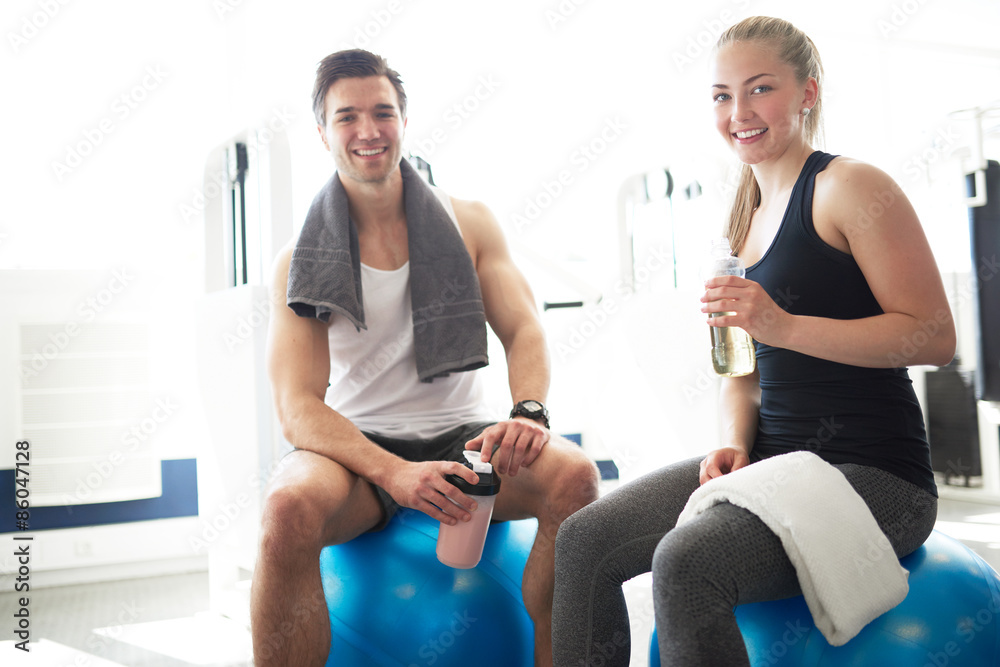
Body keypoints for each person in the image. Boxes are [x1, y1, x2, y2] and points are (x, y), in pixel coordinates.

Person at [552, 16, 956, 667]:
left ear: (807, 93)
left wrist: (783, 325)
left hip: (877, 474)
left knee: (685, 562)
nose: (738, 111)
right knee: (583, 539)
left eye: (759, 89)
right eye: (721, 95)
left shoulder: (850, 188)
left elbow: (935, 337)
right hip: (772, 464)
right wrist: (733, 442)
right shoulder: (741, 216)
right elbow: (742, 373)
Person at [251, 49, 600, 667]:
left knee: (577, 479)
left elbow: (524, 329)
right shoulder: (297, 261)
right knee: (285, 510)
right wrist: (393, 473)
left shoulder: (469, 223)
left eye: (382, 113)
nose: (367, 131)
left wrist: (529, 412)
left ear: (404, 122)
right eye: (347, 117)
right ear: (322, 132)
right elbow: (298, 409)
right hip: (358, 453)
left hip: (466, 440)